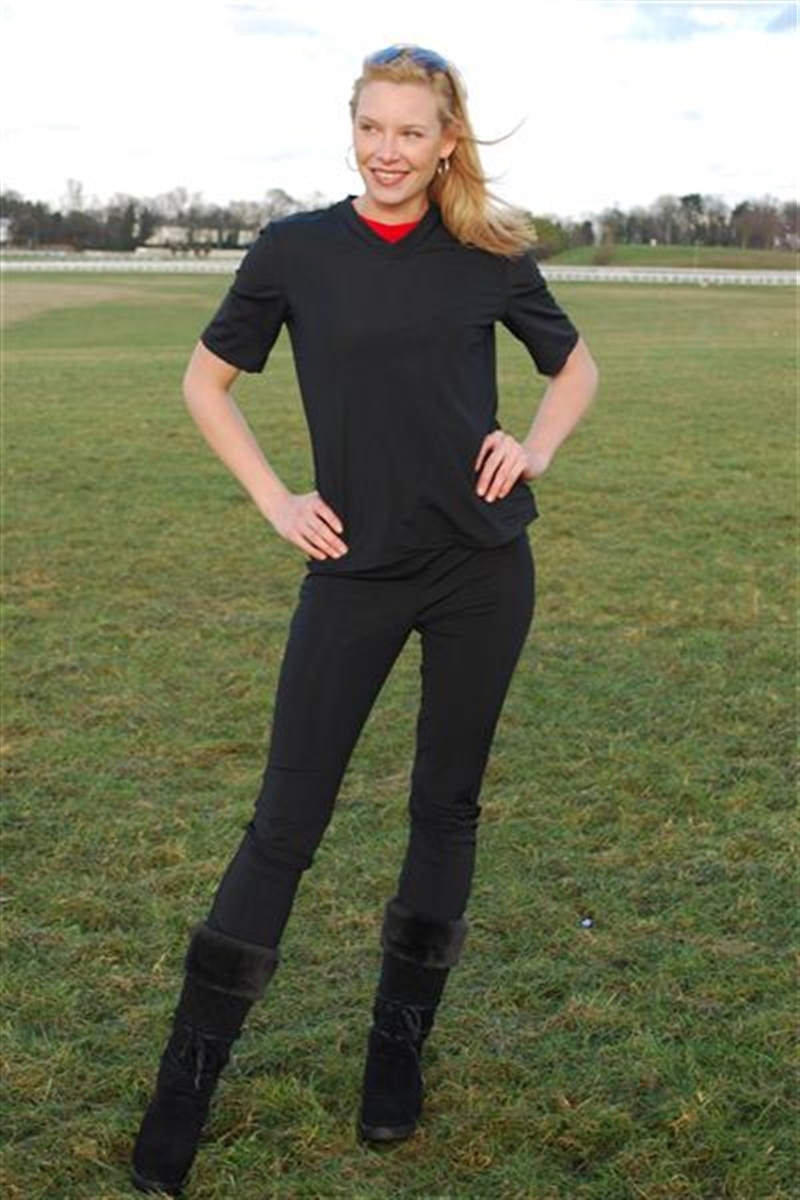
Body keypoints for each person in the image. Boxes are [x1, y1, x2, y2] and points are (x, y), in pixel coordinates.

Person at [131, 43, 598, 1196]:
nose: (386, 151)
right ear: (353, 129)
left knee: (444, 808)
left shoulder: (490, 251)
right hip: (352, 573)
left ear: (446, 141)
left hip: (481, 569)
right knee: (282, 826)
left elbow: (575, 367)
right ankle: (185, 1086)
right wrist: (275, 500)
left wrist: (534, 447)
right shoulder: (295, 251)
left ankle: (395, 1057)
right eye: (370, 128)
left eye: (409, 132)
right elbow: (202, 382)